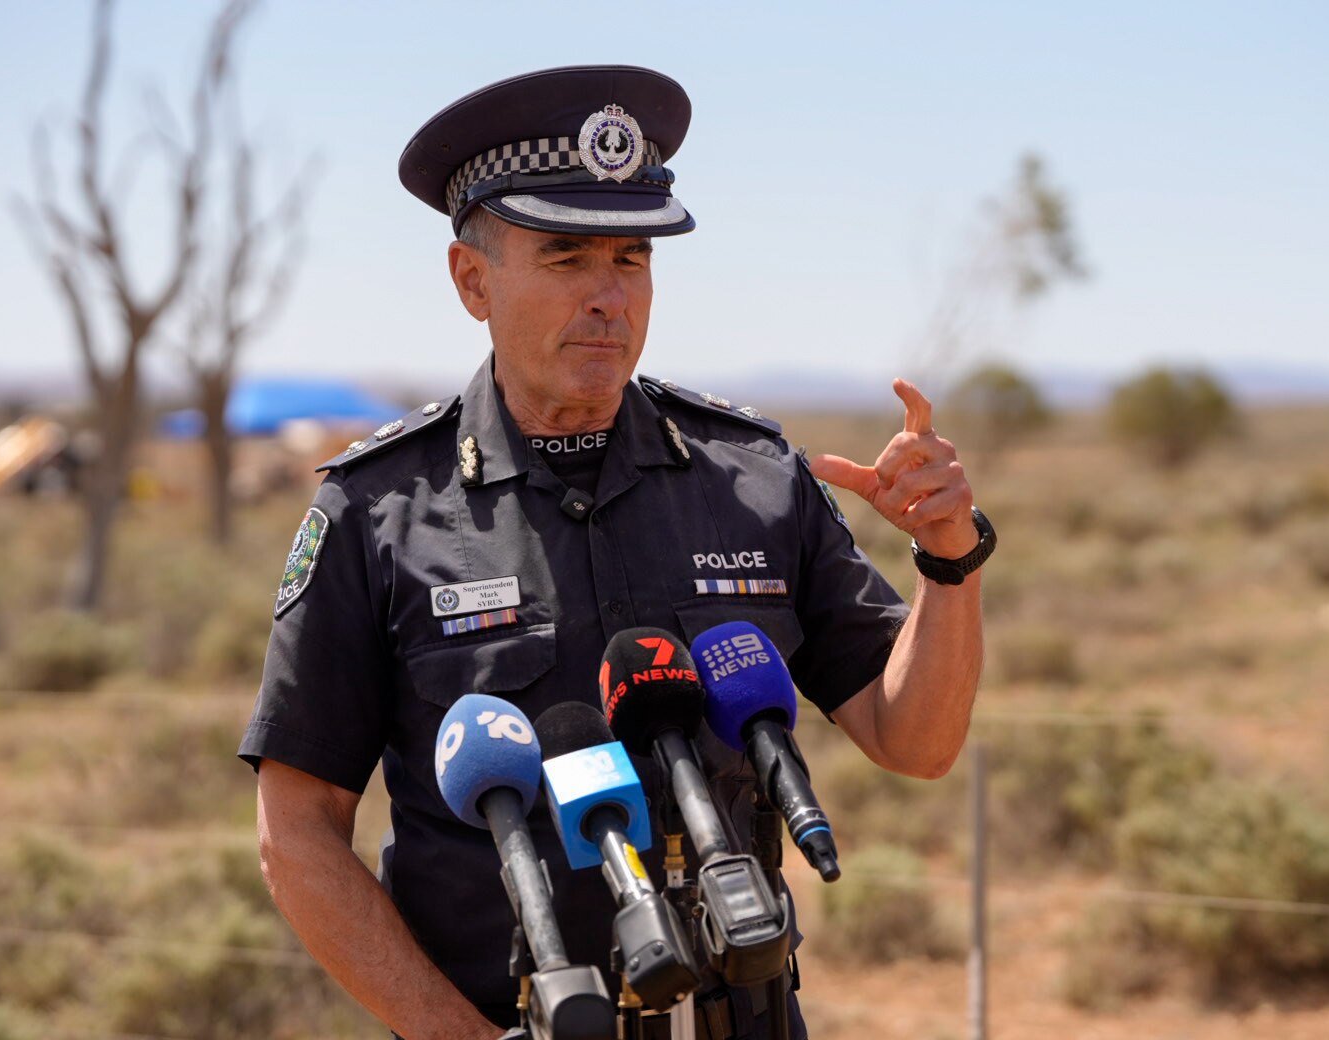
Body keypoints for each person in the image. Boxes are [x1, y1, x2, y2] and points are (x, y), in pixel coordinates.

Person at [239, 65, 993, 1040]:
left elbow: (916, 739)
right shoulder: (378, 510)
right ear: (473, 280)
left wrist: (949, 562)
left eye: (630, 261)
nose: (607, 296)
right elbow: (295, 830)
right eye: (565, 258)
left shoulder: (753, 476)